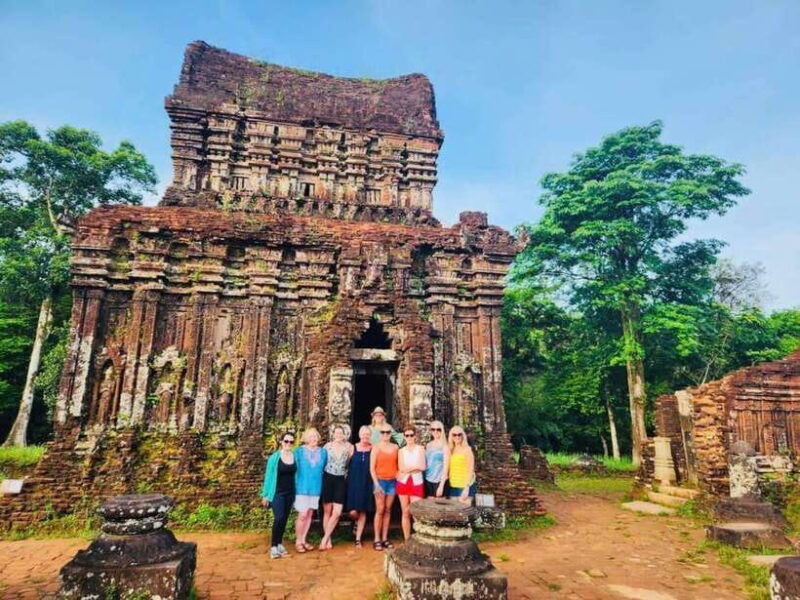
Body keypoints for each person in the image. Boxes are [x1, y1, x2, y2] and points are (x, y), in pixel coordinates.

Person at [260, 431, 297, 559]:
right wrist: (265, 494)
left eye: (291, 441)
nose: (288, 444)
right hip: (277, 493)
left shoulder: (295, 456)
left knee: (285, 519)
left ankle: (280, 543)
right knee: (279, 518)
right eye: (286, 441)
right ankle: (273, 546)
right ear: (281, 442)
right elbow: (268, 476)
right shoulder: (274, 458)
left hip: (290, 493)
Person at [319, 424, 354, 550]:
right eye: (336, 433)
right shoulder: (327, 447)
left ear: (345, 435)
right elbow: (322, 463)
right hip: (328, 478)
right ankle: (328, 540)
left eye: (341, 433)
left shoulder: (349, 447)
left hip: (340, 479)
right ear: (333, 434)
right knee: (327, 511)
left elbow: (348, 463)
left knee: (337, 512)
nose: (338, 435)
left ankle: (324, 538)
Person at [293, 427, 327, 553]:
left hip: (315, 487)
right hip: (302, 487)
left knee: (309, 515)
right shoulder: (299, 452)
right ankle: (298, 541)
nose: (313, 439)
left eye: (315, 436)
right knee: (302, 514)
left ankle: (303, 539)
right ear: (306, 439)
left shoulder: (323, 452)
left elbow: (323, 468)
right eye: (310, 436)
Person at [370, 423, 399, 551]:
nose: (385, 435)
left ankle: (384, 538)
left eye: (388, 432)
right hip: (380, 482)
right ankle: (376, 538)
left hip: (392, 481)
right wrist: (376, 484)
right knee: (380, 509)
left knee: (388, 510)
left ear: (391, 434)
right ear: (380, 434)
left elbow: (399, 464)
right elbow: (372, 468)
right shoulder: (376, 448)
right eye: (383, 432)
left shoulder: (396, 447)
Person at [346, 425, 375, 547]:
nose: (365, 436)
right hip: (353, 482)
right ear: (359, 435)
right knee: (353, 511)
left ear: (370, 436)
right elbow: (346, 463)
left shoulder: (373, 448)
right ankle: (356, 521)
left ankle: (358, 538)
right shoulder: (353, 448)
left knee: (363, 510)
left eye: (367, 434)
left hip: (367, 482)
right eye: (363, 434)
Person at [396, 424, 426, 540]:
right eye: (407, 435)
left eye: (411, 435)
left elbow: (422, 466)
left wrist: (407, 469)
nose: (409, 437)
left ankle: (420, 538)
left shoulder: (420, 449)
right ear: (404, 437)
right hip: (403, 482)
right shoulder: (401, 451)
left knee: (416, 512)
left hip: (417, 482)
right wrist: (414, 468)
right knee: (405, 512)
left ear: (415, 436)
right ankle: (407, 539)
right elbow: (401, 467)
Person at [447, 425, 476, 505]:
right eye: (454, 435)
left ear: (463, 436)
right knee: (454, 514)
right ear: (451, 436)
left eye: (459, 434)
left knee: (463, 513)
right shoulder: (450, 450)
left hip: (464, 486)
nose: (457, 437)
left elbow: (471, 469)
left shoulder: (467, 450)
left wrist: (466, 487)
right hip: (453, 486)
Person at [424, 420, 450, 498]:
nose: (435, 431)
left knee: (440, 508)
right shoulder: (428, 445)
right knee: (430, 508)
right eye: (433, 429)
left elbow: (446, 468)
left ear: (442, 430)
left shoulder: (445, 446)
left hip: (439, 481)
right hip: (428, 480)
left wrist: (441, 486)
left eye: (438, 429)